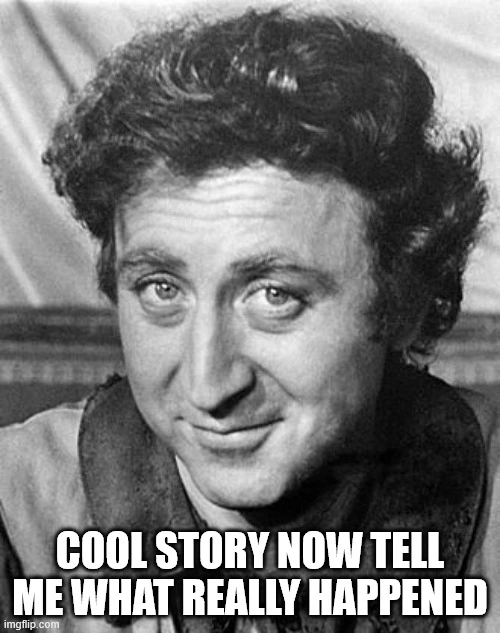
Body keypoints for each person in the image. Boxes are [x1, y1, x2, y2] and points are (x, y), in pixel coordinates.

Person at [0, 7, 498, 633]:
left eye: (274, 296)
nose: (208, 387)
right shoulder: (15, 510)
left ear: (403, 302)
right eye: (161, 289)